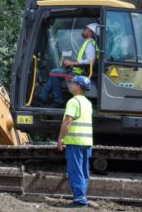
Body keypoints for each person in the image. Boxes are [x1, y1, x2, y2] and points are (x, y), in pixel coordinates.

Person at [37, 23, 99, 106]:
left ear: (90, 33)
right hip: (78, 71)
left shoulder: (90, 44)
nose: (84, 30)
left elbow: (89, 62)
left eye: (86, 29)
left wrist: (72, 63)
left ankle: (56, 100)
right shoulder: (89, 43)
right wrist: (71, 65)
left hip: (79, 74)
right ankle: (45, 97)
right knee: (55, 74)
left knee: (54, 72)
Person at [57, 75, 93, 207]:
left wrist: (60, 138)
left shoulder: (73, 102)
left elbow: (67, 121)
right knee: (83, 172)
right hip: (86, 143)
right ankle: (82, 197)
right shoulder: (87, 103)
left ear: (79, 87)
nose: (70, 85)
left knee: (75, 171)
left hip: (75, 142)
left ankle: (80, 200)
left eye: (73, 83)